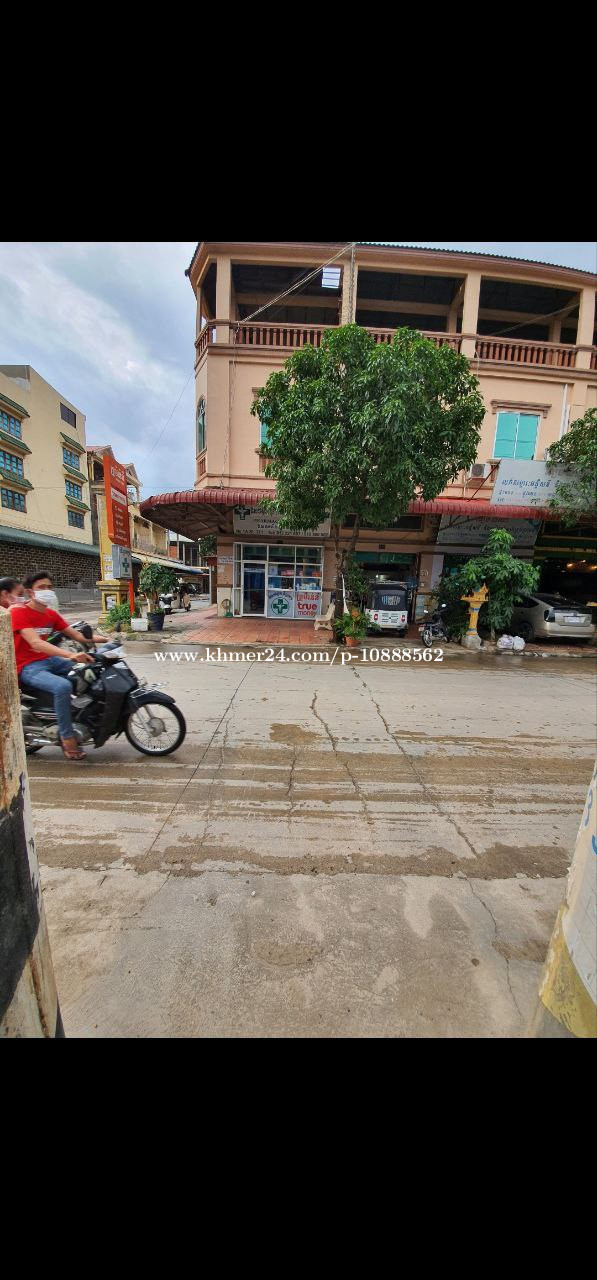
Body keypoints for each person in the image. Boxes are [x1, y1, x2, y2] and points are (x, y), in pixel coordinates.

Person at [11, 571, 105, 762]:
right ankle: (67, 738)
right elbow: (36, 643)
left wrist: (107, 641)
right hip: (27, 667)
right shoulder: (19, 612)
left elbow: (77, 635)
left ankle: (78, 717)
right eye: (41, 587)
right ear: (30, 592)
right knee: (62, 686)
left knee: (89, 670)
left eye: (49, 587)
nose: (47, 591)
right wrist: (71, 655)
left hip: (47, 660)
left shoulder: (50, 614)